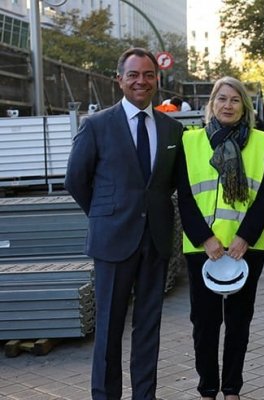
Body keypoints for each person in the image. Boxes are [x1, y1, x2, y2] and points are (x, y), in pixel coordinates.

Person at [65, 47, 184, 400]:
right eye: (133, 75)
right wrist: (105, 215)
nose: (141, 81)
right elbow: (76, 180)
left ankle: (144, 395)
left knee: (148, 328)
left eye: (148, 75)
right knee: (109, 329)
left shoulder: (172, 129)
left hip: (156, 242)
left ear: (156, 80)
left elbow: (173, 183)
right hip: (112, 240)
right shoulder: (97, 125)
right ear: (119, 80)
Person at [177, 76, 264, 400]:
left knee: (238, 323)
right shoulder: (190, 142)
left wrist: (245, 236)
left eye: (234, 100)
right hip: (203, 249)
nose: (228, 105)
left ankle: (231, 389)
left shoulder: (260, 142)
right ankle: (207, 390)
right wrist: (205, 238)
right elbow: (185, 197)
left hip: (245, 249)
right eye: (222, 99)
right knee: (205, 325)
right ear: (211, 105)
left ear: (244, 106)